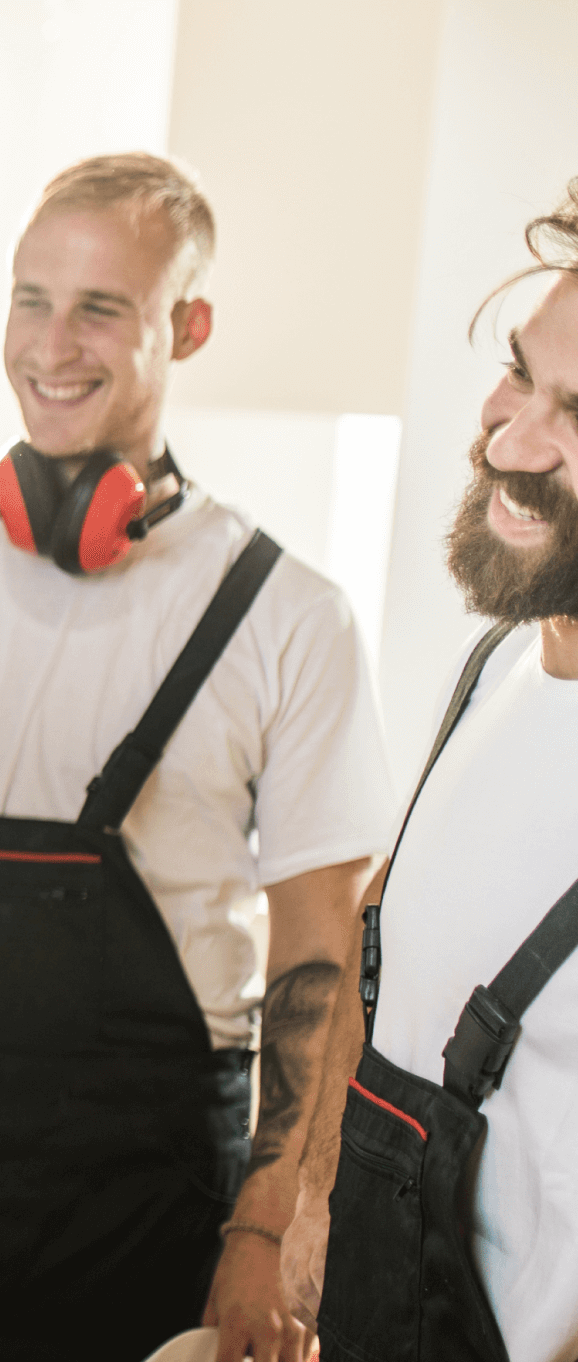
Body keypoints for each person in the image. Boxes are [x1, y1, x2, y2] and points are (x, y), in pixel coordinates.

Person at [0, 154, 390, 1362]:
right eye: (30, 300)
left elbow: (321, 949)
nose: (52, 345)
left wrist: (271, 1221)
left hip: (152, 1179)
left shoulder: (285, 614)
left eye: (101, 309)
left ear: (189, 326)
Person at [314, 183, 578, 1362]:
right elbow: (380, 950)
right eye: (522, 374)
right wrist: (304, 1226)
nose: (510, 441)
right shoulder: (493, 671)